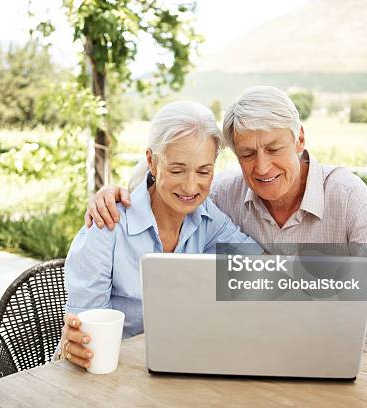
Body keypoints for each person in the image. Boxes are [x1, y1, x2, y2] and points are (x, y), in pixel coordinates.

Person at [86, 86, 367, 317]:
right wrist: (118, 191)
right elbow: (177, 181)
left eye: (274, 149)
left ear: (300, 139)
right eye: (247, 154)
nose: (262, 167)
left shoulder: (346, 194)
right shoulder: (222, 194)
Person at [57, 101, 260, 369]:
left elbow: (261, 270)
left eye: (203, 171)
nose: (190, 186)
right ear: (152, 161)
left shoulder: (209, 218)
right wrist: (78, 341)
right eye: (177, 170)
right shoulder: (107, 224)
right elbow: (85, 334)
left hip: (179, 367)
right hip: (111, 373)